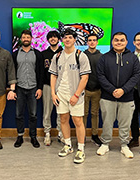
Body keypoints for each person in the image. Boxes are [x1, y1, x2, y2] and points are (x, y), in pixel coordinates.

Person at [49, 28, 91, 164]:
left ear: (74, 39)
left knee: (78, 121)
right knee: (63, 119)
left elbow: (85, 77)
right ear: (62, 40)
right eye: (65, 37)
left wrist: (76, 95)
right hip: (61, 94)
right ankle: (67, 145)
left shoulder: (81, 56)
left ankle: (80, 149)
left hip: (76, 94)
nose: (67, 40)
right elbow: (53, 75)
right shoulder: (57, 56)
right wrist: (53, 93)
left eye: (70, 37)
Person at [96, 32, 140, 158]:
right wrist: (112, 90)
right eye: (116, 40)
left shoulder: (132, 58)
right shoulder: (104, 58)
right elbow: (100, 76)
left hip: (127, 98)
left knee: (125, 123)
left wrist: (123, 90)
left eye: (122, 40)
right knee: (107, 122)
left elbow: (136, 76)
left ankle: (124, 145)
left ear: (126, 42)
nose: (119, 42)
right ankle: (105, 144)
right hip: (107, 97)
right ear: (112, 42)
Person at [12, 29, 44, 148]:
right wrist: (13, 89)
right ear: (21, 39)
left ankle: (33, 136)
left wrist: (39, 88)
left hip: (33, 88)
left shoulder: (37, 54)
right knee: (18, 114)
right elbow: (12, 72)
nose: (26, 39)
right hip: (19, 87)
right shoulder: (15, 54)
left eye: (28, 37)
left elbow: (41, 72)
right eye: (24, 37)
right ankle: (20, 136)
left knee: (33, 114)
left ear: (31, 39)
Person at [41, 30, 64, 146]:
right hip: (47, 86)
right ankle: (47, 133)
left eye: (55, 37)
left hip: (62, 87)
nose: (53, 39)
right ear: (48, 40)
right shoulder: (44, 54)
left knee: (61, 111)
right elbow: (41, 72)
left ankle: (61, 132)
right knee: (47, 110)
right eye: (50, 37)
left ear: (58, 39)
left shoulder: (64, 53)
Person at [83, 34, 103, 146]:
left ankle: (95, 135)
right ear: (87, 42)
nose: (92, 42)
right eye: (89, 40)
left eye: (94, 40)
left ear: (97, 42)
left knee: (95, 113)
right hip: (84, 89)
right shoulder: (82, 55)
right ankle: (83, 135)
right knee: (84, 113)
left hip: (97, 90)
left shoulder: (101, 56)